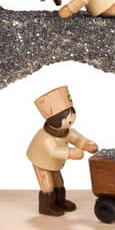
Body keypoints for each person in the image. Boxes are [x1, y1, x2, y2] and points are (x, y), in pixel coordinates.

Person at [25, 85, 98, 216]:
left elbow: (77, 139)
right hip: (41, 162)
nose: (71, 120)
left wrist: (87, 144)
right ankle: (46, 206)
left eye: (72, 116)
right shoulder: (46, 138)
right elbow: (54, 151)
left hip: (54, 163)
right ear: (55, 120)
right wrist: (71, 153)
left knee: (59, 182)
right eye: (68, 119)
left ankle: (60, 201)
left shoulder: (66, 131)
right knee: (47, 184)